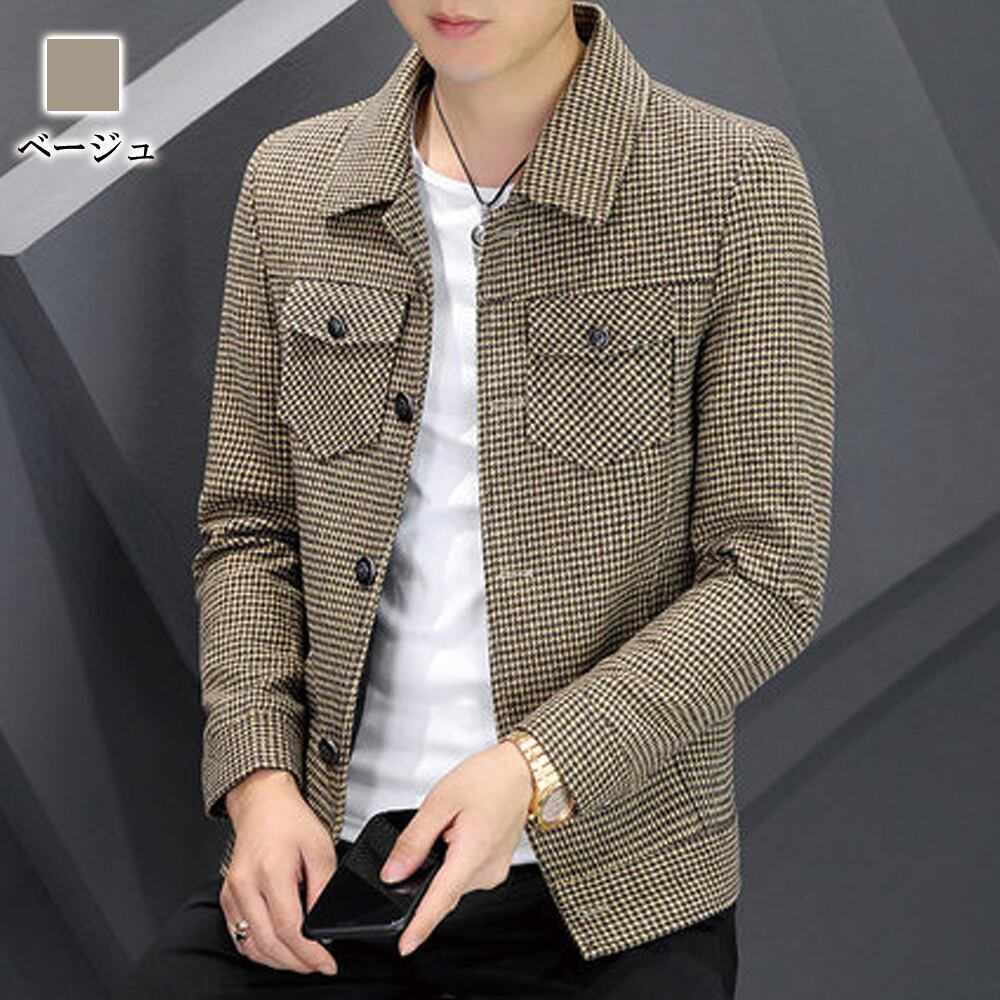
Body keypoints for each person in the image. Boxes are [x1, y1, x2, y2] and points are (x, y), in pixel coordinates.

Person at [117, 0, 833, 997]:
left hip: (606, 899)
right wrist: (258, 785)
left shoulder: (731, 182)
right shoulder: (294, 180)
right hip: (329, 872)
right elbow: (249, 529)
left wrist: (534, 770)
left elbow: (765, 575)